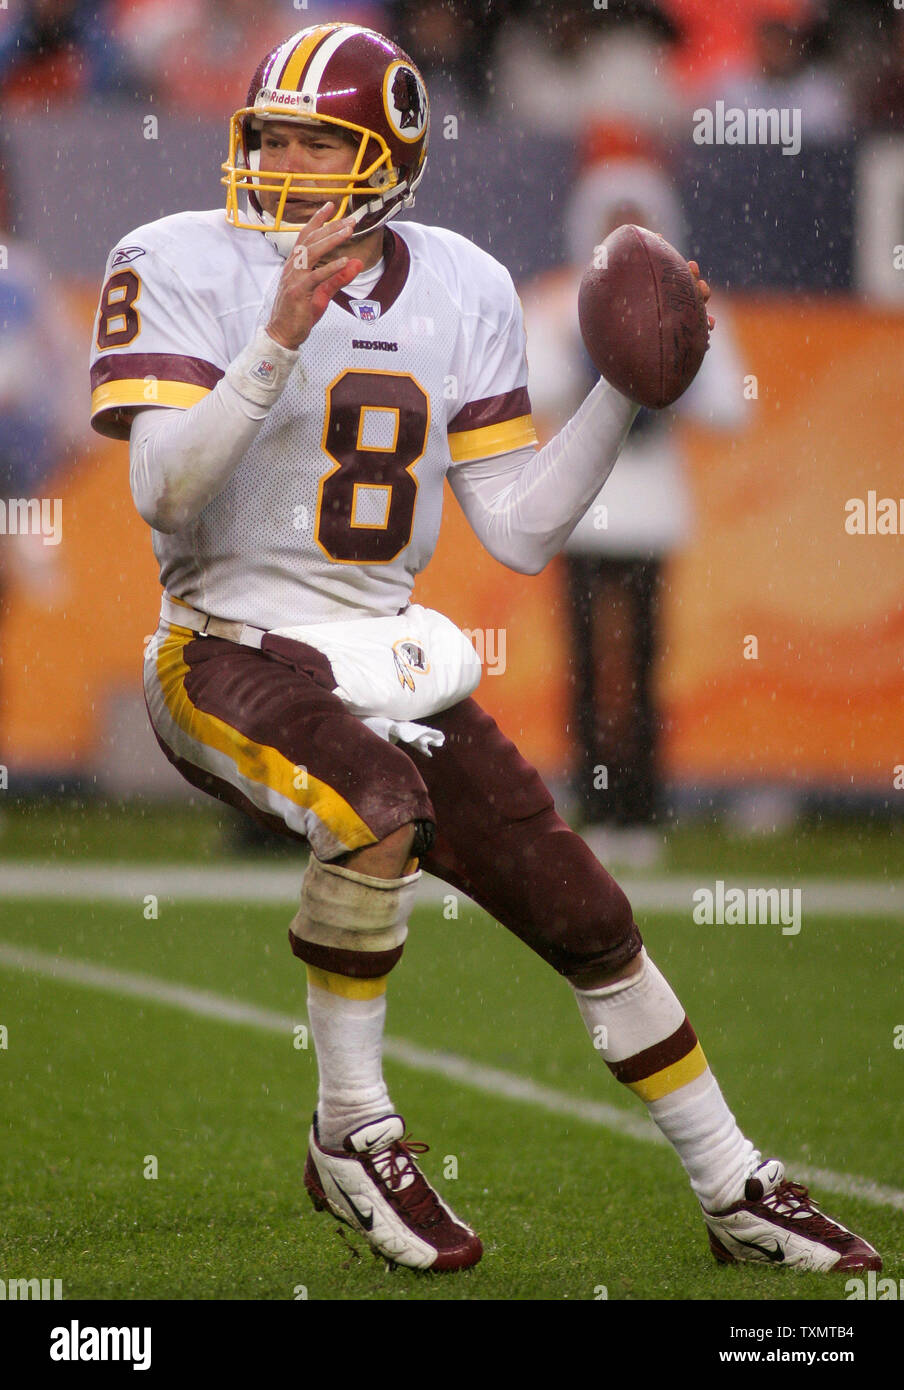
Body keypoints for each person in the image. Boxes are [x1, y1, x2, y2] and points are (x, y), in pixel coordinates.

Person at [89, 20, 880, 1276]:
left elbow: (513, 531)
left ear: (390, 157)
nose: (282, 166)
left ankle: (735, 1184)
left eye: (316, 143)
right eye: (270, 139)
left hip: (385, 655)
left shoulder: (461, 283)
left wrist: (624, 390)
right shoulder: (183, 258)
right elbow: (164, 498)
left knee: (586, 911)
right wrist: (277, 337)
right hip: (223, 649)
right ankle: (352, 1129)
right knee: (377, 803)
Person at [522, 150, 749, 866]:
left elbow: (733, 410)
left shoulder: (690, 300)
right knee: (588, 663)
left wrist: (678, 358)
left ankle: (643, 806)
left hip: (652, 507)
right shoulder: (561, 299)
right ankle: (594, 804)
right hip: (581, 507)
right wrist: (590, 349)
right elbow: (527, 392)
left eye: (638, 220)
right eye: (611, 221)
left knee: (646, 661)